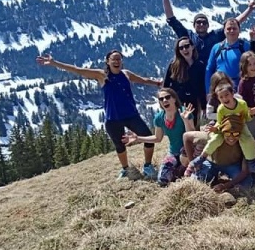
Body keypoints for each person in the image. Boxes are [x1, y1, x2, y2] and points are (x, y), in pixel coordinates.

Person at [35, 50, 161, 180]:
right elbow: (78, 70)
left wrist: (157, 83)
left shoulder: (126, 74)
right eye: (114, 59)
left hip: (131, 115)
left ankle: (147, 165)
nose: (117, 61)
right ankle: (125, 169)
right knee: (119, 145)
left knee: (147, 137)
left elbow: (142, 80)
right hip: (113, 118)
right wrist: (54, 63)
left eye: (119, 59)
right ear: (108, 61)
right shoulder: (102, 75)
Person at [159, 0, 255, 64]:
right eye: (198, 22)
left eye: (204, 22)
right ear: (194, 25)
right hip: (192, 76)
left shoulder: (215, 36)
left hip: (212, 75)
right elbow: (172, 20)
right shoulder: (188, 36)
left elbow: (233, 23)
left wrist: (249, 9)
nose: (201, 24)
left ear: (208, 25)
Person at [121, 88, 197, 186]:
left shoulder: (184, 112)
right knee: (162, 180)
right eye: (161, 99)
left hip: (188, 151)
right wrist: (138, 138)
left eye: (167, 97)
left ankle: (184, 169)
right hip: (173, 153)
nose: (164, 100)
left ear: (174, 99)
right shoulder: (159, 118)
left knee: (184, 157)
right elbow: (158, 138)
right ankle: (180, 171)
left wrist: (186, 120)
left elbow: (192, 136)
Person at [198, 84, 255, 174]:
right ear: (218, 99)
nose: (224, 99)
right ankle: (201, 157)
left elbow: (246, 118)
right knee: (215, 139)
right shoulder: (221, 109)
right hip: (225, 127)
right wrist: (215, 129)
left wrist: (250, 113)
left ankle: (251, 162)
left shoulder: (242, 104)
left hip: (240, 125)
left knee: (248, 139)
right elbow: (220, 123)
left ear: (232, 94)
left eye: (226, 95)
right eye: (221, 97)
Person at [187, 114, 254, 192]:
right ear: (222, 132)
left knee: (246, 184)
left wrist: (226, 186)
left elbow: (245, 171)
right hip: (211, 163)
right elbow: (186, 137)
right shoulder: (212, 137)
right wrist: (192, 162)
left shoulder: (245, 143)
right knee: (194, 182)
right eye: (227, 134)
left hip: (233, 165)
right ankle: (213, 178)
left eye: (236, 134)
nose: (231, 137)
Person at [162, 35, 206, 127]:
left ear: (192, 47)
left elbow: (202, 87)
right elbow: (166, 85)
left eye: (187, 46)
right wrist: (165, 101)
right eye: (181, 48)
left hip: (194, 102)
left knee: (193, 127)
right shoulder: (173, 65)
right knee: (179, 127)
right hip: (178, 102)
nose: (184, 49)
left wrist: (203, 106)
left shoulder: (200, 65)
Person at [205, 18, 251, 92]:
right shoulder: (216, 48)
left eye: (234, 28)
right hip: (219, 88)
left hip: (240, 88)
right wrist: (208, 91)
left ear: (239, 30)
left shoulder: (245, 46)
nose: (231, 31)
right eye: (229, 28)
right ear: (224, 31)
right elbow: (209, 69)